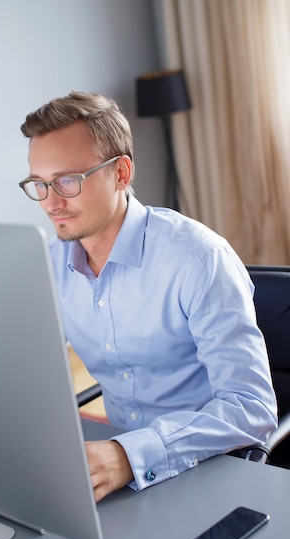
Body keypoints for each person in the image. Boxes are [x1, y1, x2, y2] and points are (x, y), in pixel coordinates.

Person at [19, 91, 277, 503]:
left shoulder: (198, 259)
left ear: (121, 173)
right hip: (116, 468)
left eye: (67, 180)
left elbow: (252, 409)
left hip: (210, 465)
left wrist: (129, 454)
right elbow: (29, 367)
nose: (50, 203)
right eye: (39, 184)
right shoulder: (52, 263)